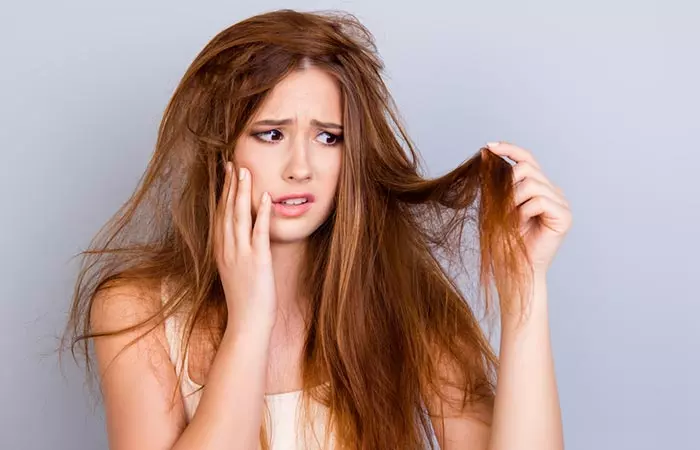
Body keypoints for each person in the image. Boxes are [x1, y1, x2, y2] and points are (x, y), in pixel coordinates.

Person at [63, 8, 571, 450]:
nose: (300, 167)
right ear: (220, 151)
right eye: (271, 134)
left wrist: (524, 288)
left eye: (329, 137)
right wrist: (250, 321)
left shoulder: (405, 301)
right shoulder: (137, 313)